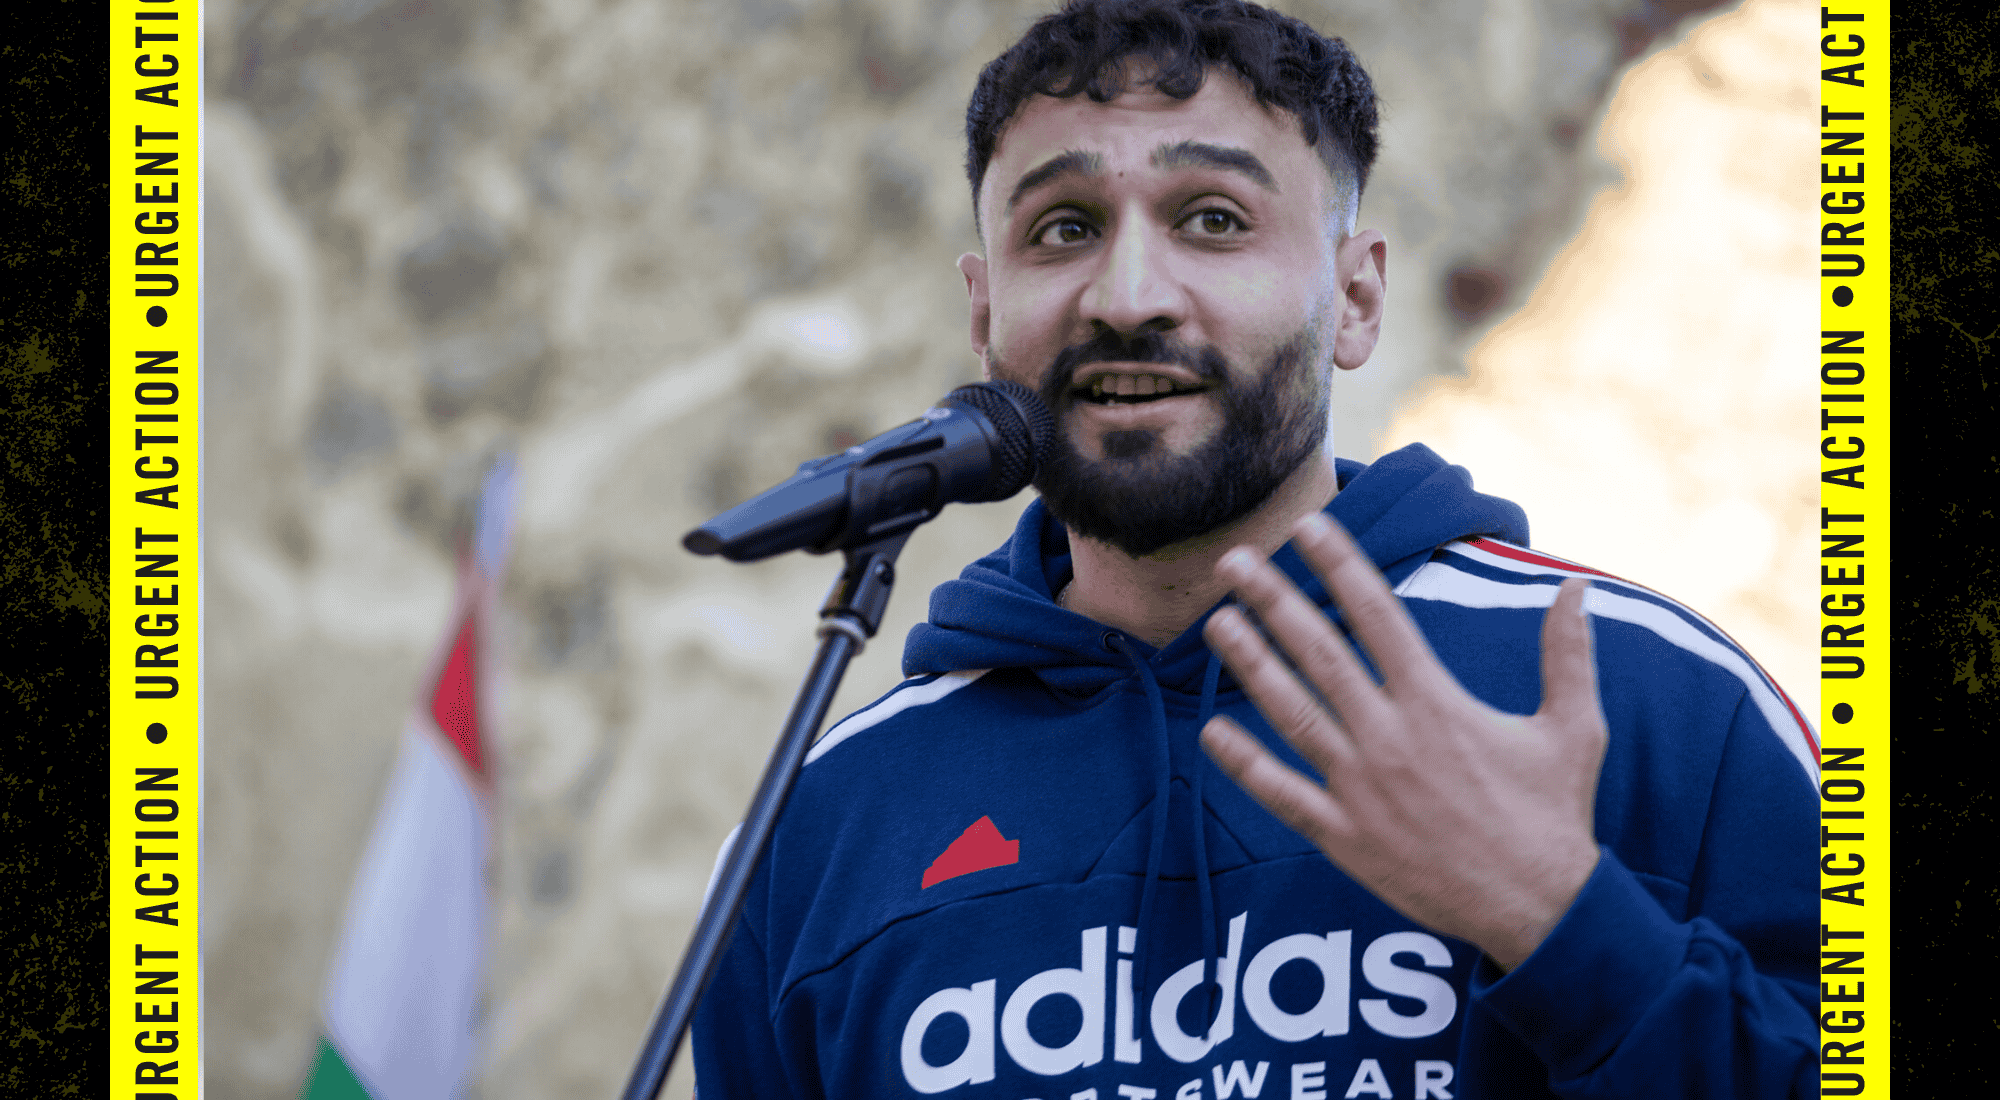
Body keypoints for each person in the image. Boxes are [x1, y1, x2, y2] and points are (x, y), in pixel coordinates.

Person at [692, 0, 1820, 1096]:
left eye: (1213, 220)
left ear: (1355, 296)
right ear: (983, 312)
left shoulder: (1657, 706)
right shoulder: (823, 823)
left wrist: (1563, 922)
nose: (1127, 297)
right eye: (1063, 229)